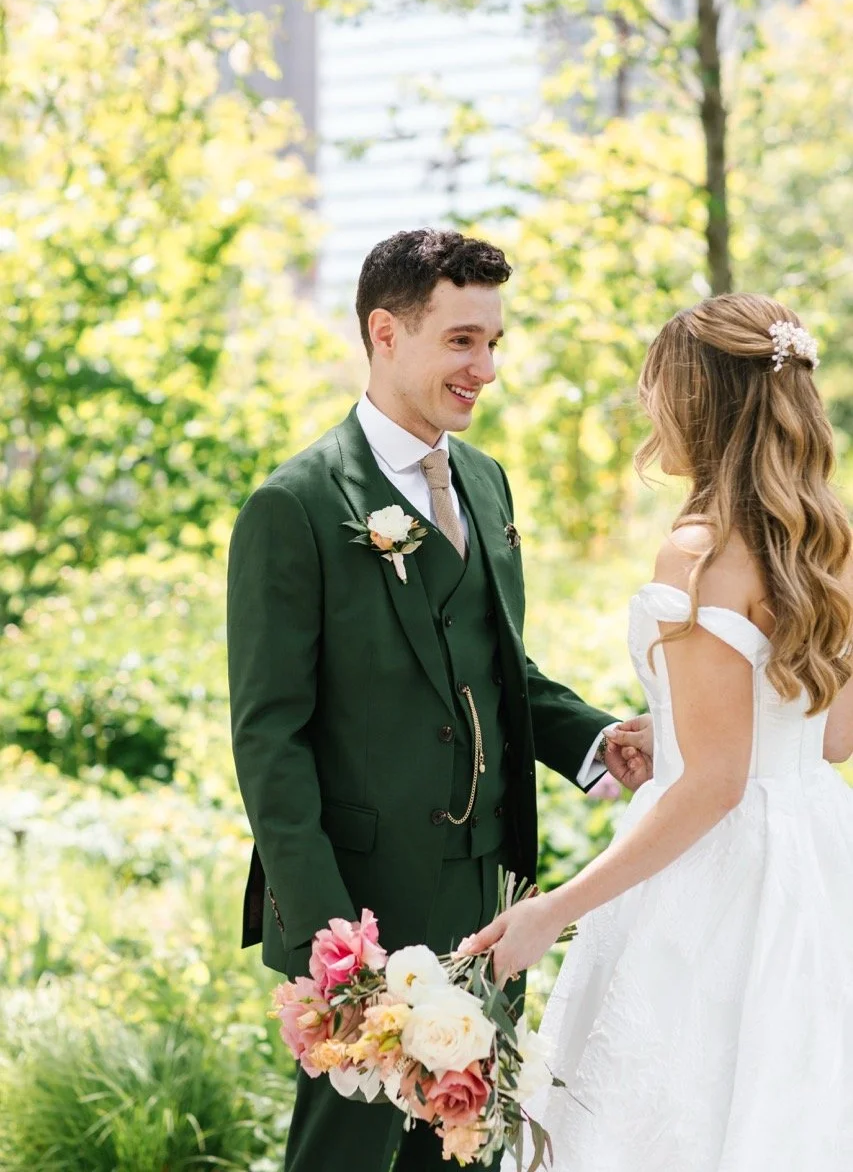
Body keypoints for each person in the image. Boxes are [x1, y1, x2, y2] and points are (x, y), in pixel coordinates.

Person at [225, 227, 653, 1172]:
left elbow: (500, 668)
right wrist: (334, 936)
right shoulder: (293, 506)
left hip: (488, 898)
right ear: (386, 332)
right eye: (462, 340)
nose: (486, 367)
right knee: (344, 1156)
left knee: (464, 1149)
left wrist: (594, 739)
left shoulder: (486, 481)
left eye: (493, 341)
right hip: (363, 913)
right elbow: (269, 740)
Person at [460, 292, 853, 1171]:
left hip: (715, 877)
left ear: (697, 403)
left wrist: (550, 911)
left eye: (657, 390)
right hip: (819, 857)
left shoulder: (700, 548)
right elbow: (825, 740)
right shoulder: (828, 538)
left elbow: (713, 783)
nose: (647, 408)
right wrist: (676, 725)